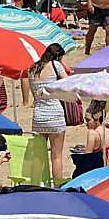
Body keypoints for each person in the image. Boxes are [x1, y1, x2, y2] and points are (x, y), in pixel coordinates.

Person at [21, 43, 69, 185]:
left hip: (39, 115)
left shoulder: (32, 68)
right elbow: (68, 83)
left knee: (38, 155)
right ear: (58, 56)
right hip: (55, 114)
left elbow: (34, 94)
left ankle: (36, 184)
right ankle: (57, 185)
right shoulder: (55, 65)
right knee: (56, 156)